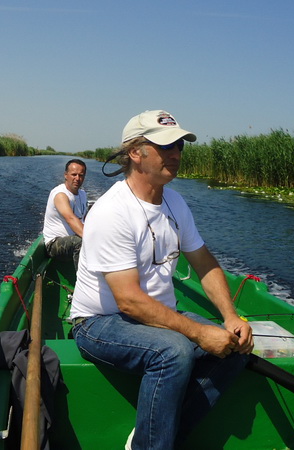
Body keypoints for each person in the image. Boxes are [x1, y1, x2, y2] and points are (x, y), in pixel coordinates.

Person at [69, 110, 254, 450]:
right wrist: (200, 333)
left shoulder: (175, 202)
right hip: (98, 322)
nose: (176, 154)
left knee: (235, 347)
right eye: (166, 145)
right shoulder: (112, 211)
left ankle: (157, 437)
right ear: (135, 152)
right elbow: (128, 300)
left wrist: (230, 317)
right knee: (174, 351)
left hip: (155, 316)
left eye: (179, 145)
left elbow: (204, 262)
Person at [42, 159, 88, 268]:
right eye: (74, 174)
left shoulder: (82, 194)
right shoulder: (60, 195)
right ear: (66, 175)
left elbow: (84, 218)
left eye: (81, 175)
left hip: (74, 238)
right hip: (54, 244)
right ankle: (82, 278)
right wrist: (92, 239)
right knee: (81, 242)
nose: (77, 178)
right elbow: (71, 219)